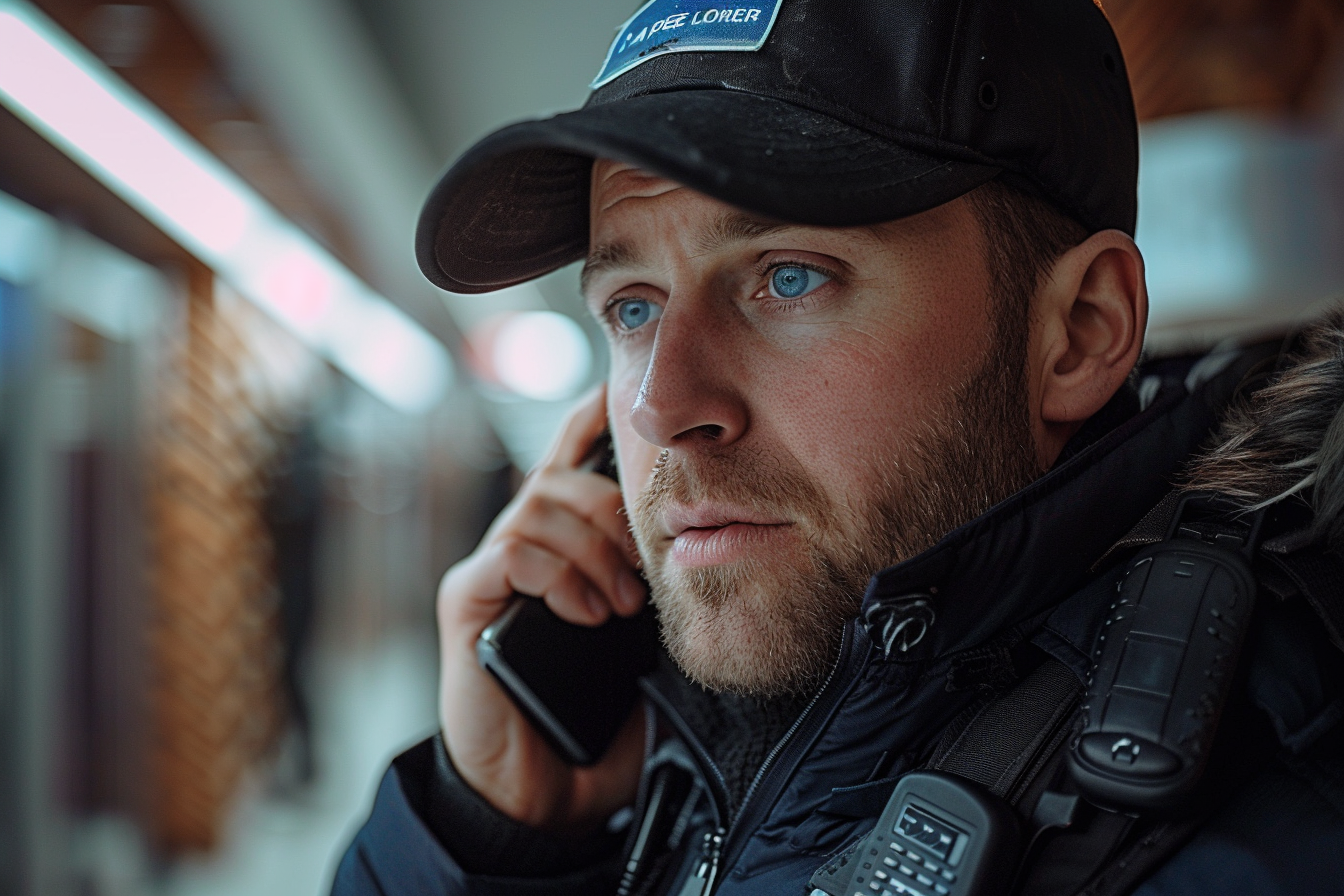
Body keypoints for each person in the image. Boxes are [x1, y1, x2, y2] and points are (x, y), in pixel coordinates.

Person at [334, 1, 1344, 893]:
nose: (660, 406)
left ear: (1079, 328)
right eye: (632, 305)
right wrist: (495, 842)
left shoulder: (1266, 838)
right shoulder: (695, 745)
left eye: (788, 277)